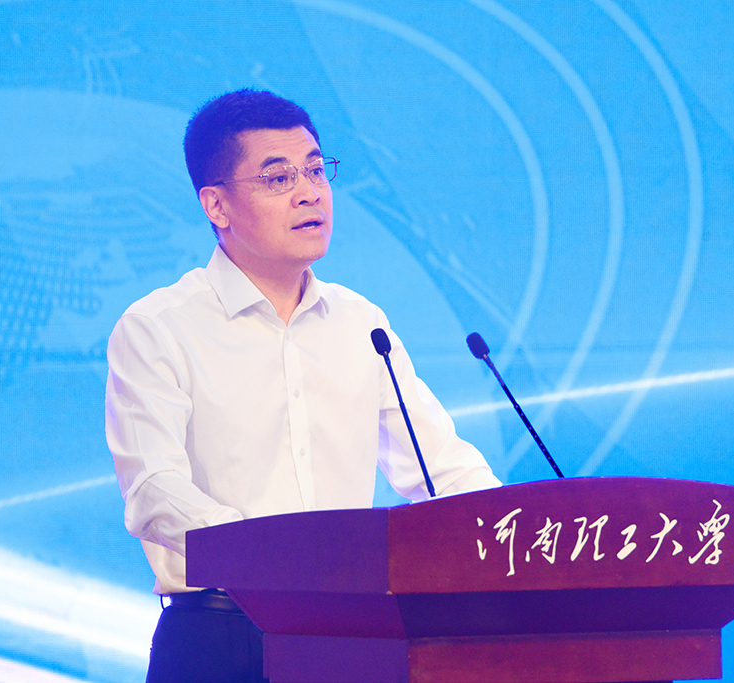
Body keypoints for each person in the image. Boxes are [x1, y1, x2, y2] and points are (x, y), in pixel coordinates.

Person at [105, 89, 501, 683]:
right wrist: (282, 556)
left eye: (316, 170)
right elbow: (153, 490)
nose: (310, 192)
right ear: (217, 205)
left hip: (348, 636)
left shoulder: (361, 324)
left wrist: (517, 538)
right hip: (220, 638)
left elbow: (442, 471)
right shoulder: (158, 327)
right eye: (278, 177)